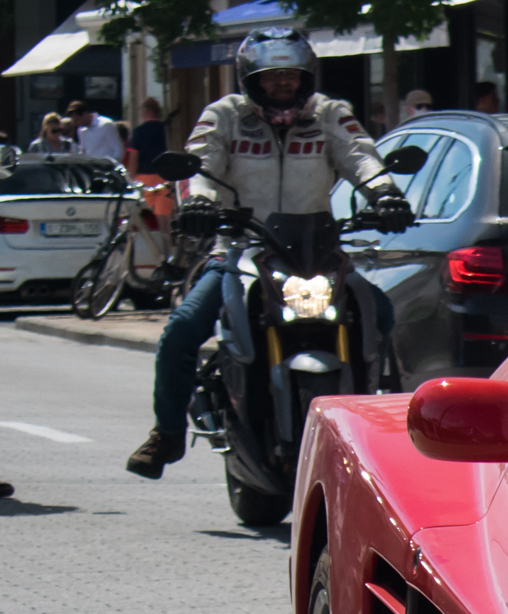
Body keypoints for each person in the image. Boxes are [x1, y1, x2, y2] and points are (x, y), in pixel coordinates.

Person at [124, 28, 412, 480]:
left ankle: (386, 425)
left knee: (382, 313)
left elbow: (360, 155)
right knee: (181, 329)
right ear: (250, 78)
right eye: (271, 75)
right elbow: (199, 164)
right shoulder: (225, 116)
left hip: (317, 251)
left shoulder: (330, 114)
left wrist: (385, 194)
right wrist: (198, 202)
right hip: (241, 251)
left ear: (306, 77)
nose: (282, 83)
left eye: (290, 75)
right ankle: (166, 433)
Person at [129, 97, 166, 167]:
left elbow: (134, 158)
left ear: (146, 110)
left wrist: (130, 176)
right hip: (163, 174)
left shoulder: (138, 131)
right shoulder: (165, 129)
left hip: (144, 175)